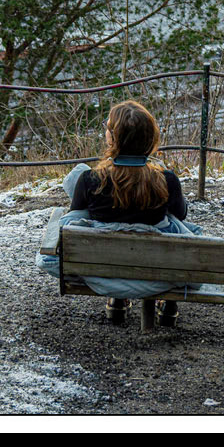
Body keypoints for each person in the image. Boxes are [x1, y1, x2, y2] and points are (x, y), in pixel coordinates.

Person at [69, 100, 189, 326]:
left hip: (105, 271)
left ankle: (118, 298)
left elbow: (75, 216)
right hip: (157, 271)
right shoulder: (167, 180)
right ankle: (167, 300)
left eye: (107, 127)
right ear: (150, 138)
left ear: (113, 139)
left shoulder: (90, 180)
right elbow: (181, 214)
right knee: (171, 221)